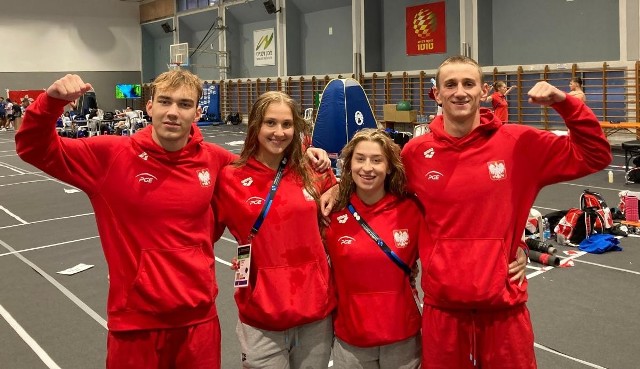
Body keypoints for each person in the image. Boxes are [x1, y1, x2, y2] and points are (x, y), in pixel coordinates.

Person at [14, 70, 333, 369]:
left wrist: (303, 158)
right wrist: (51, 102)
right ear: (150, 106)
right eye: (165, 101)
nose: (173, 112)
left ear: (197, 113)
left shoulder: (215, 160)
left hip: (198, 321)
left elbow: (264, 169)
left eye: (184, 104)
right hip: (135, 324)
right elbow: (33, 148)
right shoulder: (109, 155)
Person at [399, 56, 611, 368]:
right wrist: (336, 187)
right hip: (443, 310)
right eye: (451, 85)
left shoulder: (518, 143)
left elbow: (595, 155)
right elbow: (384, 199)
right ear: (437, 95)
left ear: (483, 91)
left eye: (468, 83)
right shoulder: (415, 154)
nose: (460, 92)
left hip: (504, 309)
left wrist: (565, 104)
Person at [212, 91, 336, 369]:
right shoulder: (230, 177)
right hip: (261, 313)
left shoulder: (313, 169)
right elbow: (199, 233)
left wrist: (337, 184)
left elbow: (347, 208)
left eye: (287, 124)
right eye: (270, 123)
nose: (279, 132)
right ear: (255, 125)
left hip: (315, 308)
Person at [323, 128, 424, 369]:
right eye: (360, 159)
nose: (367, 168)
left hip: (403, 338)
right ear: (349, 165)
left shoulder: (412, 210)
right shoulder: (331, 213)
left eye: (377, 160)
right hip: (351, 340)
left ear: (389, 167)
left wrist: (516, 246)